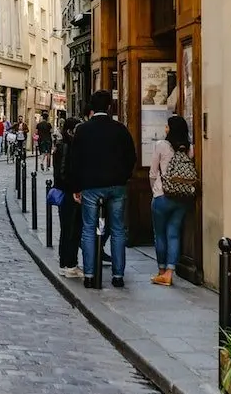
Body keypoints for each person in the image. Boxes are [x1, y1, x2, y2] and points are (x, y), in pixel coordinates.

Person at [70, 89, 136, 289]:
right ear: (109, 107)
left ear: (92, 107)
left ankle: (90, 275)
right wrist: (122, 178)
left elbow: (75, 161)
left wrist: (77, 187)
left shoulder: (83, 130)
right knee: (117, 230)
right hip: (116, 186)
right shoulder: (120, 129)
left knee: (89, 229)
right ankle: (118, 276)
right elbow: (131, 157)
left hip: (91, 187)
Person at [149, 114, 193, 286]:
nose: (165, 128)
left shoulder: (161, 145)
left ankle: (160, 270)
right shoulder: (190, 148)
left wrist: (155, 189)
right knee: (173, 234)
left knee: (160, 234)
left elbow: (153, 173)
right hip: (182, 197)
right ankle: (169, 272)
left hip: (162, 195)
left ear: (171, 129)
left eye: (167, 126)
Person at [53, 117, 82, 277]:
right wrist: (73, 190)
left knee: (67, 229)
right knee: (70, 229)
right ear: (71, 130)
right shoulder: (66, 146)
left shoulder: (64, 145)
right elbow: (63, 172)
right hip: (67, 194)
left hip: (66, 192)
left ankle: (66, 263)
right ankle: (69, 264)